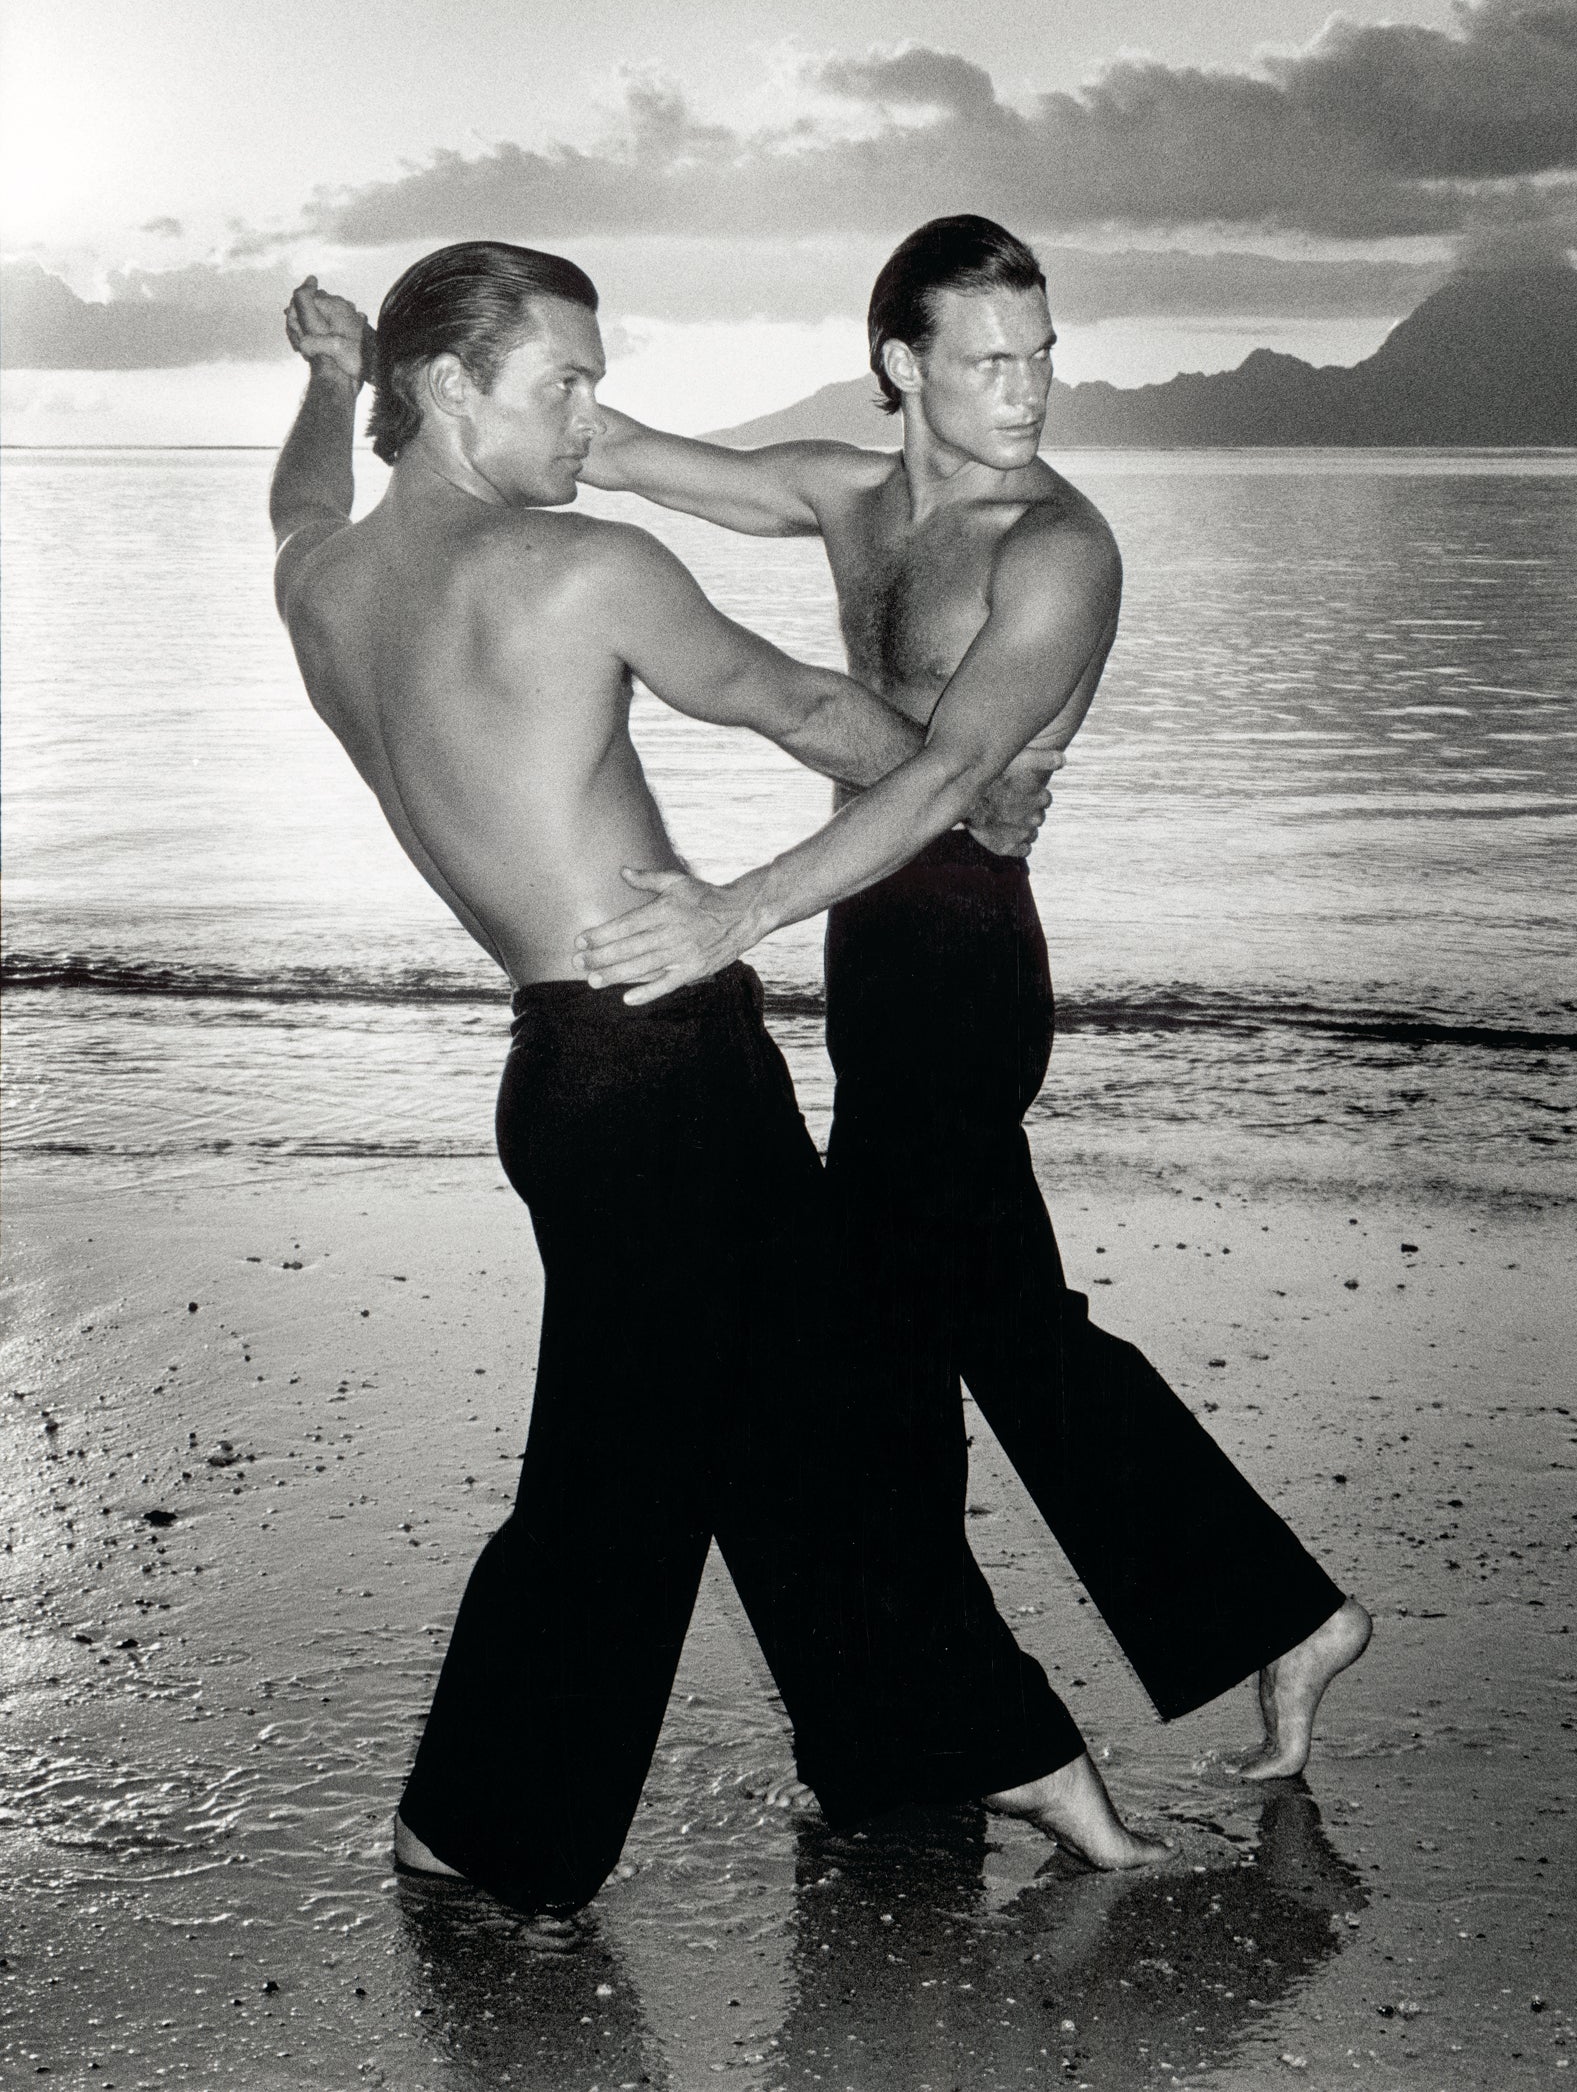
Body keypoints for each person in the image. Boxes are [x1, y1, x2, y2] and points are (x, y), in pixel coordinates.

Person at [269, 242, 1163, 1918]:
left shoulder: (323, 583)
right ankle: (491, 1825)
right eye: (566, 385)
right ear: (455, 390)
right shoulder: (578, 568)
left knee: (780, 1421)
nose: (592, 418)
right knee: (643, 1469)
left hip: (570, 1070)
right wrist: (966, 795)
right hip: (665, 1070)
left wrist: (326, 393)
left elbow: (298, 505)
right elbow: (805, 705)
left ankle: (935, 1747)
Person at [569, 214, 1373, 1780]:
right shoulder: (847, 495)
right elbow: (624, 450)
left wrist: (738, 909)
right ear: (903, 364)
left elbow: (950, 776)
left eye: (1046, 354)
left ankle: (955, 1708)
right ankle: (1247, 1624)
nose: (1032, 389)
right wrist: (385, 386)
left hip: (965, 958)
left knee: (907, 1331)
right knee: (975, 1320)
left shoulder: (1055, 545)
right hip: (878, 950)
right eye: (994, 359)